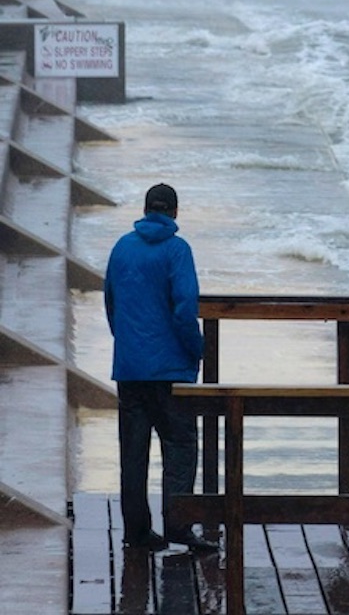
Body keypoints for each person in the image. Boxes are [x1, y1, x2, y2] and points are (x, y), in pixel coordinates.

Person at [103, 183, 217, 554]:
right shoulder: (177, 249)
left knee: (133, 452)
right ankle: (179, 527)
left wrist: (127, 344)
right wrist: (195, 350)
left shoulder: (122, 246)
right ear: (175, 212)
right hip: (170, 371)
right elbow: (185, 308)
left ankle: (136, 532)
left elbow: (111, 302)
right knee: (180, 445)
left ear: (145, 209)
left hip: (131, 368)